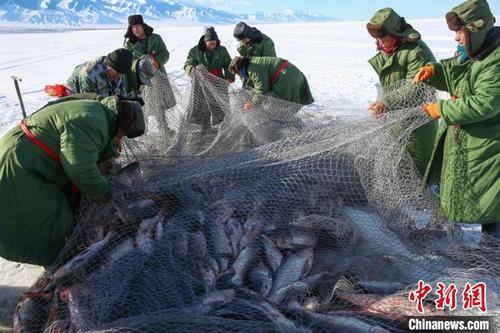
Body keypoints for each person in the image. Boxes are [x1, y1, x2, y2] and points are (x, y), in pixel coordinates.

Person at [0, 94, 145, 266]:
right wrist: (105, 193)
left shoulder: (100, 112)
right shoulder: (93, 122)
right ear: (122, 125)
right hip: (22, 166)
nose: (121, 138)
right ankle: (59, 265)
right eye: (123, 134)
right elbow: (80, 168)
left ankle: (62, 260)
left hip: (27, 156)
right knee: (52, 221)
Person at [413, 0, 499, 241]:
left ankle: (491, 257)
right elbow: (461, 79)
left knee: (492, 201)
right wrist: (435, 71)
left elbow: (485, 102)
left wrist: (442, 109)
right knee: (480, 196)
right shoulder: (479, 49)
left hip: (490, 143)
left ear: (475, 30)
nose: (456, 39)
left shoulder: (496, 60)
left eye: (459, 33)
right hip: (472, 141)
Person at [366, 8, 438, 177]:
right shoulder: (389, 52)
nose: (380, 44)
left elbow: (417, 87)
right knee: (396, 168)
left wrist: (386, 103)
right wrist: (381, 102)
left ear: (395, 33)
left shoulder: (416, 51)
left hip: (418, 122)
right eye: (377, 40)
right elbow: (390, 84)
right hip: (397, 119)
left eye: (383, 39)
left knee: (416, 171)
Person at [184, 27, 235, 134]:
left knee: (219, 106)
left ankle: (221, 129)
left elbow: (228, 65)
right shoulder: (195, 50)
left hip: (218, 82)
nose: (212, 45)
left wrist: (229, 77)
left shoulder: (222, 50)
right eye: (209, 43)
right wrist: (191, 69)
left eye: (214, 43)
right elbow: (188, 64)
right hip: (201, 84)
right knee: (203, 106)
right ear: (205, 42)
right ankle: (204, 128)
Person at [229, 56, 314, 109]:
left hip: (286, 78)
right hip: (292, 73)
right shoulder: (252, 62)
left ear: (240, 69)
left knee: (286, 108)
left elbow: (262, 90)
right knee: (286, 107)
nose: (240, 75)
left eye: (238, 73)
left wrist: (252, 104)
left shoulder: (253, 69)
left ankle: (293, 130)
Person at [65, 48, 133, 97]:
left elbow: (120, 92)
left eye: (122, 74)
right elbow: (90, 102)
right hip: (75, 96)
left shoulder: (118, 72)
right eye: (117, 73)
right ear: (109, 67)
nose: (119, 76)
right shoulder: (90, 74)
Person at [233, 22, 276, 88]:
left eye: (244, 40)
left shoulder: (267, 43)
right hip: (249, 77)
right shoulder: (242, 45)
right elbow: (244, 64)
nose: (242, 42)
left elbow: (270, 66)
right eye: (241, 41)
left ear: (249, 35)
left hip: (263, 79)